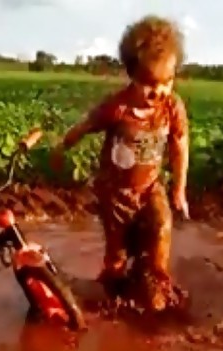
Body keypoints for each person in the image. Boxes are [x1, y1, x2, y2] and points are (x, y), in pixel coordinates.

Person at [50, 15, 190, 312]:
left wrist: (179, 189)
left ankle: (157, 285)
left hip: (150, 188)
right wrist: (63, 145)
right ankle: (112, 295)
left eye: (167, 82)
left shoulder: (172, 107)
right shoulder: (118, 107)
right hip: (115, 195)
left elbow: (179, 144)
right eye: (149, 84)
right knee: (117, 254)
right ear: (132, 75)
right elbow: (86, 125)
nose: (158, 92)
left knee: (162, 228)